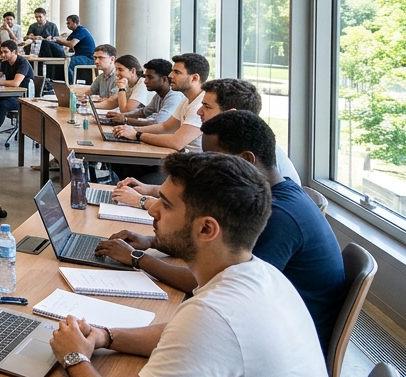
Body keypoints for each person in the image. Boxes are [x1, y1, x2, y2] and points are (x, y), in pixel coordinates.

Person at [51, 152, 338, 377]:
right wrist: (107, 336)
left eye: (167, 204)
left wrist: (75, 357)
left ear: (206, 230)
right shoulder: (262, 276)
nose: (154, 210)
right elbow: (183, 336)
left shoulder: (214, 316)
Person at [97, 111, 346, 344]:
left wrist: (138, 259)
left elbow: (211, 280)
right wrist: (153, 242)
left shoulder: (277, 215)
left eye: (214, 160)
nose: (206, 169)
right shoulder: (279, 191)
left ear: (247, 161)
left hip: (281, 339)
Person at [111, 53, 208, 152]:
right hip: (182, 157)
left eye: (177, 72)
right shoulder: (187, 99)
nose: (170, 75)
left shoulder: (200, 105)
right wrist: (131, 130)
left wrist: (137, 134)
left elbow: (176, 142)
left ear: (194, 78)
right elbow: (165, 127)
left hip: (193, 163)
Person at [101, 58, 184, 127]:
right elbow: (143, 112)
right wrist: (122, 116)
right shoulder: (159, 95)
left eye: (150, 77)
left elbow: (158, 123)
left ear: (164, 79)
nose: (145, 81)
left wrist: (125, 119)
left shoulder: (174, 96)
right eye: (145, 77)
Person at [0, 39, 33, 132]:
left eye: (5, 52)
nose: (2, 55)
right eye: (1, 52)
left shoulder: (23, 63)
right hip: (11, 94)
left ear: (15, 52)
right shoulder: (5, 62)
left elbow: (15, 83)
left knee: (3, 104)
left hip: (24, 98)